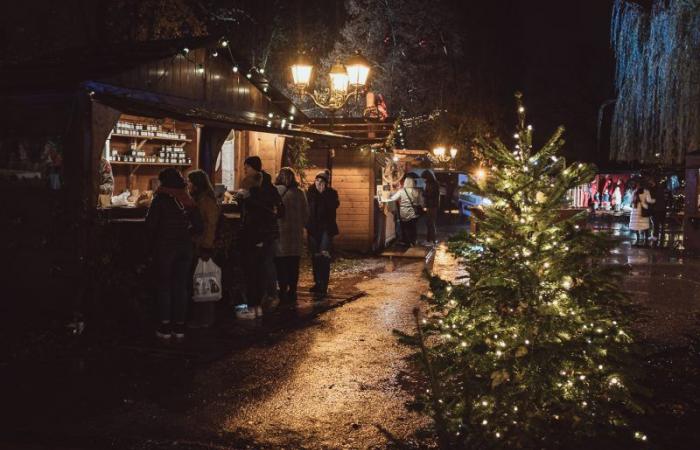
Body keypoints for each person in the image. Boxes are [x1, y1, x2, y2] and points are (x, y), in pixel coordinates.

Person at [146, 168, 199, 340]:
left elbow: (151, 225)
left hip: (165, 249)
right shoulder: (187, 198)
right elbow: (199, 225)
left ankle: (165, 326)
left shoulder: (160, 199)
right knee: (181, 287)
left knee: (164, 286)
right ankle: (180, 327)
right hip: (185, 248)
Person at [236, 156, 282, 318]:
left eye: (246, 167)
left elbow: (268, 210)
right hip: (262, 233)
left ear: (254, 168)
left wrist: (248, 198)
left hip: (257, 233)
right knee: (258, 269)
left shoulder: (259, 188)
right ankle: (258, 306)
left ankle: (256, 305)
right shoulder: (266, 185)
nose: (245, 170)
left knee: (253, 270)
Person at [274, 167, 308, 304]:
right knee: (294, 264)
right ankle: (292, 290)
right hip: (296, 235)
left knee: (281, 264)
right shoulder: (300, 193)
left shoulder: (277, 192)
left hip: (281, 234)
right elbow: (306, 214)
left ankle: (282, 290)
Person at [306, 171, 340, 298]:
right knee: (315, 256)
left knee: (324, 256)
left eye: (321, 182)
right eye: (316, 181)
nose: (318, 184)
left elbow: (333, 207)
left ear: (326, 184)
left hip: (326, 228)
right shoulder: (310, 192)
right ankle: (317, 282)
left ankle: (323, 284)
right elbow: (308, 208)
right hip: (313, 228)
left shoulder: (331, 194)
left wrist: (323, 194)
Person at [381, 176, 424, 246]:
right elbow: (420, 202)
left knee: (405, 227)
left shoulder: (402, 191)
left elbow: (393, 198)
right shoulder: (416, 191)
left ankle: (407, 242)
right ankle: (413, 241)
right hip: (413, 212)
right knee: (413, 227)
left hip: (404, 212)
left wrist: (385, 197)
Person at [187, 170, 220, 261]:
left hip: (203, 245)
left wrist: (206, 247)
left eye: (189, 181)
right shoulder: (197, 199)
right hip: (198, 243)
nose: (187, 184)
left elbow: (211, 224)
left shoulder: (206, 201)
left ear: (196, 184)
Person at [421, 170, 440, 244]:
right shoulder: (432, 183)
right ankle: (429, 239)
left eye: (424, 178)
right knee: (429, 222)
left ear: (428, 177)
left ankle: (433, 239)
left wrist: (423, 193)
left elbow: (431, 195)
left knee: (430, 222)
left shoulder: (432, 184)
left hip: (432, 205)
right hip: (432, 205)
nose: (424, 179)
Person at [650, 177, 667, 244]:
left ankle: (655, 237)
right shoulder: (661, 189)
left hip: (657, 209)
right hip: (662, 209)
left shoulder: (655, 190)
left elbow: (654, 199)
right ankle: (662, 237)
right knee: (661, 224)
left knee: (656, 224)